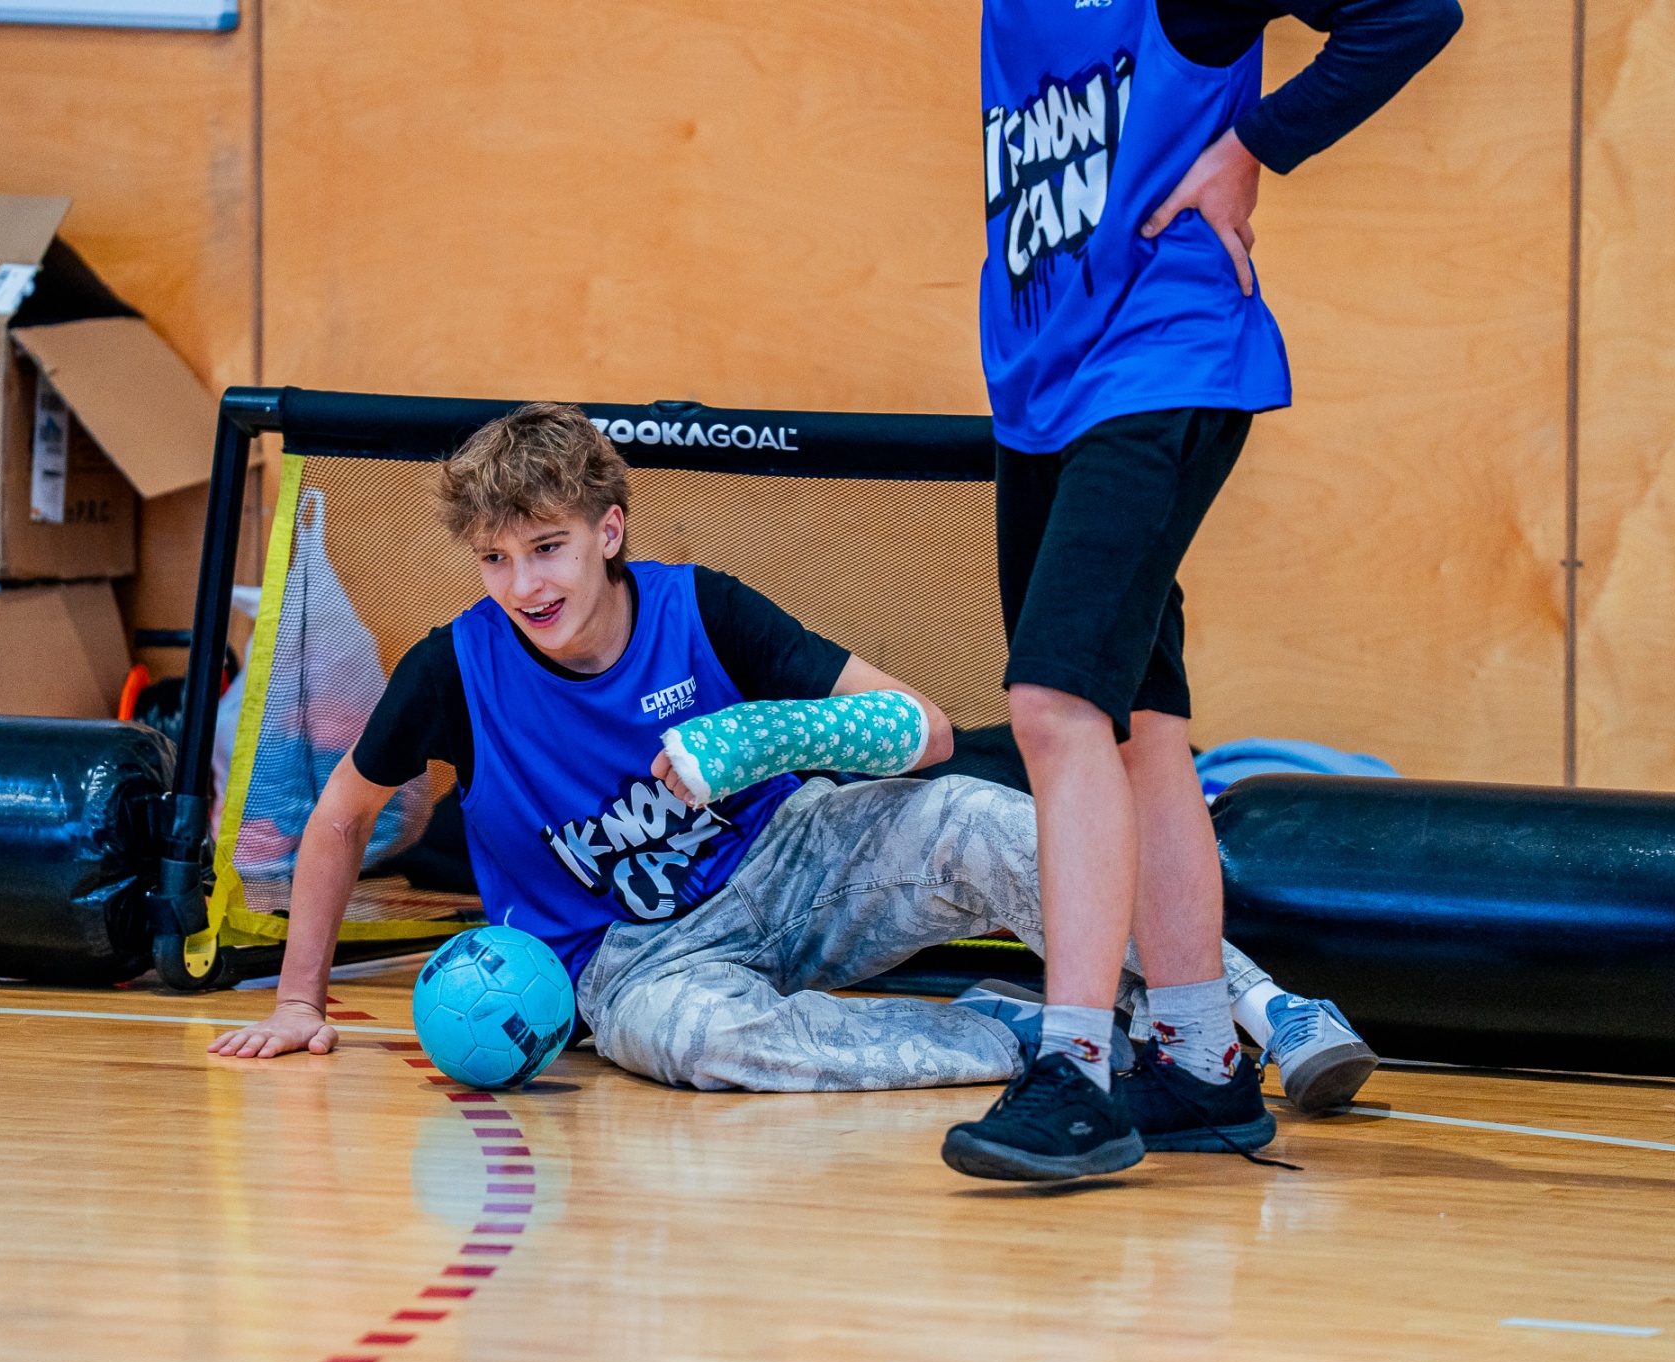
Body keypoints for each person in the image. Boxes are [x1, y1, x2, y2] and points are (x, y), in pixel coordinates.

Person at [208, 405, 1371, 1128]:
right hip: (626, 958)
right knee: (698, 1046)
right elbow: (339, 818)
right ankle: (1043, 1042)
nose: (525, 585)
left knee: (976, 814)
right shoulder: (454, 668)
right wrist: (301, 1000)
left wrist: (752, 740)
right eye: (496, 559)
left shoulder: (702, 608)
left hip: (795, 860)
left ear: (609, 530)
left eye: (547, 548)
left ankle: (1260, 1011)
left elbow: (919, 730)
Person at [938, 0, 1462, 1181]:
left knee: (1055, 705)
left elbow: (1411, 13)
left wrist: (1254, 145)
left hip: (1160, 357)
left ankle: (1075, 1072)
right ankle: (1197, 1058)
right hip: (1044, 388)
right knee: (1139, 719)